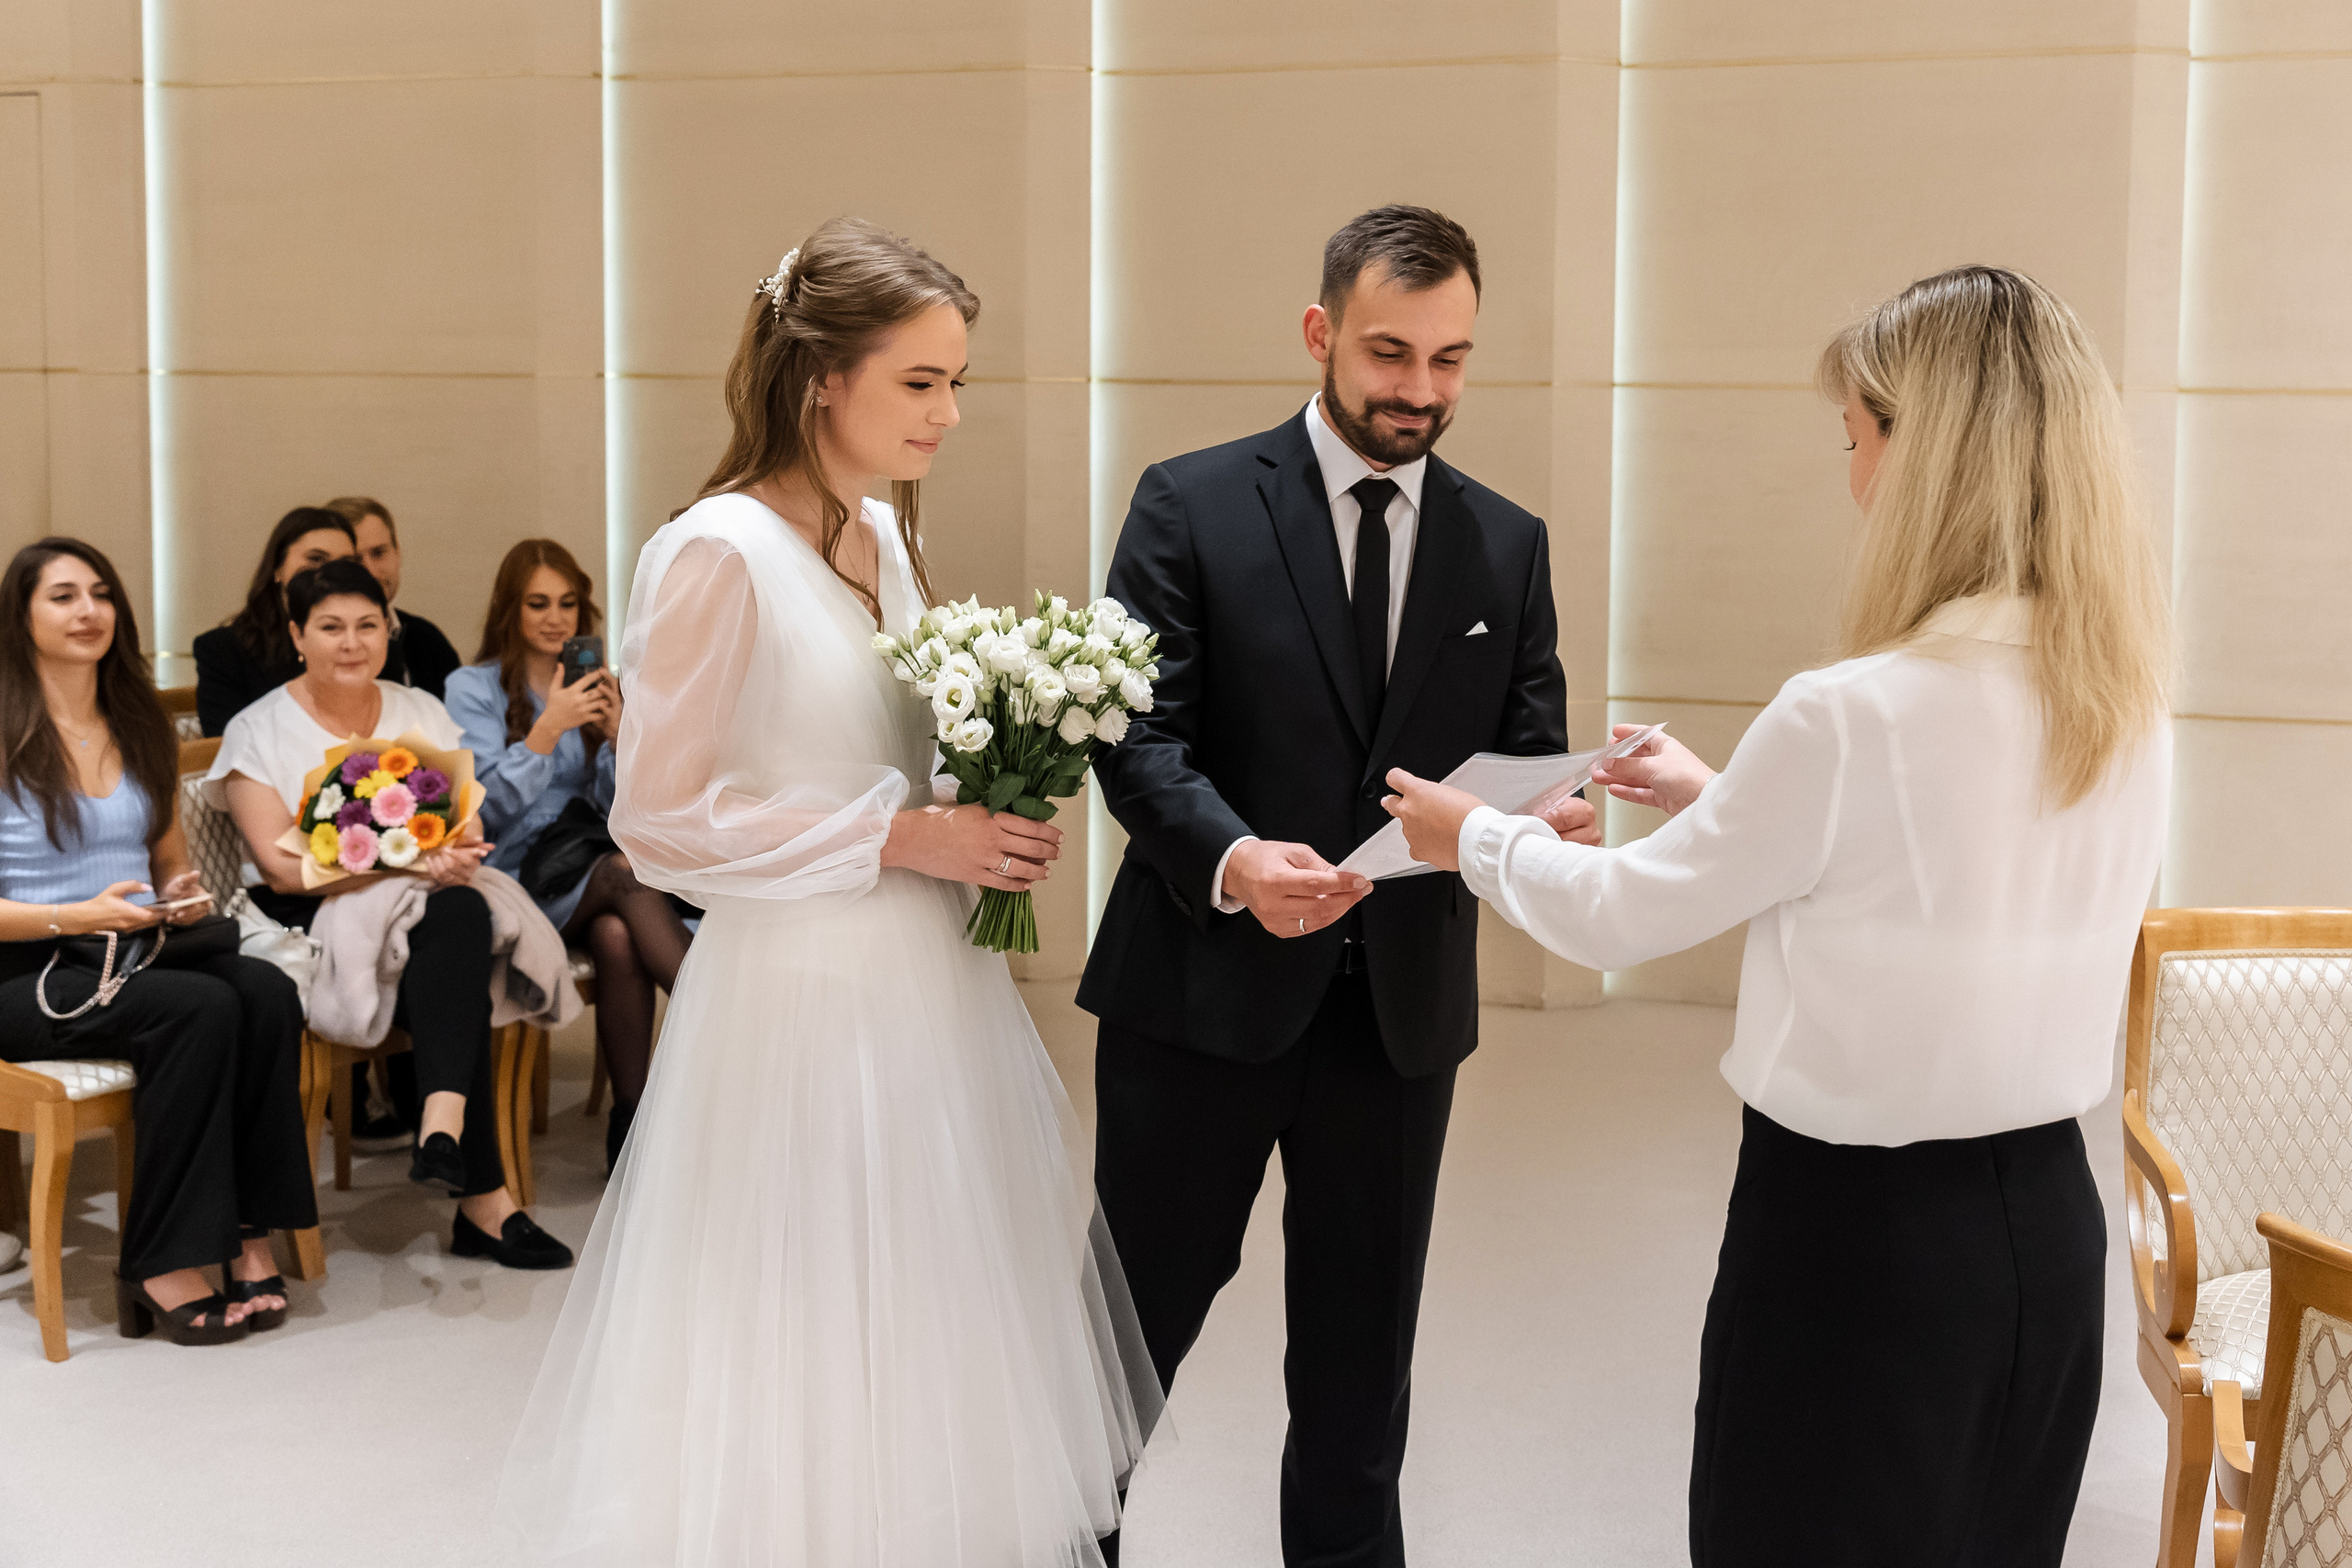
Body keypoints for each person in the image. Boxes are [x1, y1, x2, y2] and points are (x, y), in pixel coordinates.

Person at [1380, 265, 2171, 1567]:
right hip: (2044, 1223)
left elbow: (1622, 913)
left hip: (1860, 1241)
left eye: (1855, 439)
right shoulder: (2121, 696)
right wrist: (1728, 797)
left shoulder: (1851, 711)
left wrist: (1480, 840)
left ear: (1928, 457)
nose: (1850, 474)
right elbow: (1946, 879)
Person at [496, 217, 1159, 1564]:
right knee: (799, 1317)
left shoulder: (881, 536)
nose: (951, 412)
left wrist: (992, 801)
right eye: (921, 382)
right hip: (798, 1000)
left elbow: (892, 749)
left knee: (924, 1311)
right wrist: (903, 837)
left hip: (926, 987)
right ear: (820, 378)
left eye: (956, 380)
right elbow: (661, 820)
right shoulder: (715, 553)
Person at [1078, 204, 1594, 1567]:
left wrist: (1551, 814)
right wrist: (1237, 861)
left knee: (1364, 1381)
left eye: (1450, 358)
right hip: (1199, 995)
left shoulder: (1508, 543)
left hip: (1398, 1021)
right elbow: (1135, 735)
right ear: (1320, 332)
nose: (1420, 389)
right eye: (1388, 351)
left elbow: (1526, 754)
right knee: (1123, 1345)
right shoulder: (1188, 501)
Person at [208, 558, 574, 1271]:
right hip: (310, 915)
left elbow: (463, 825)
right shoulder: (258, 729)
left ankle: (443, 1128)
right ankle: (481, 1195)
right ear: (297, 635)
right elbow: (282, 867)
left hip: (426, 905)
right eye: (331, 627)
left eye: (368, 625)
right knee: (457, 944)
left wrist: (450, 854)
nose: (352, 642)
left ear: (390, 628)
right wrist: (405, 863)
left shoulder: (420, 710)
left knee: (458, 915)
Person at [0, 537, 317, 1344]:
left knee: (268, 991)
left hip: (131, 954)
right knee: (198, 1006)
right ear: (21, 615)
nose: (88, 611)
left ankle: (245, 1229)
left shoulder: (138, 722)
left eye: (101, 593)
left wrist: (179, 896)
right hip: (28, 969)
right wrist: (75, 916)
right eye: (63, 595)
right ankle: (161, 1259)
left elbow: (168, 862)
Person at [446, 539, 692, 1170]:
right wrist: (546, 729)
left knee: (615, 935)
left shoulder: (598, 683)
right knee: (623, 875)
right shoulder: (471, 689)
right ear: (510, 607)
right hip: (514, 877)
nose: (556, 618)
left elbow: (620, 809)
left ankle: (629, 1128)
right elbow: (481, 811)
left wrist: (618, 739)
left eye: (568, 603)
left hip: (587, 872)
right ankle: (718, 1012)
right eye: (538, 603)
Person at [325, 496, 464, 699]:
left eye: (379, 553)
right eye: (355, 559)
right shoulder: (309, 647)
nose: (370, 571)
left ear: (397, 553)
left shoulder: (428, 641)